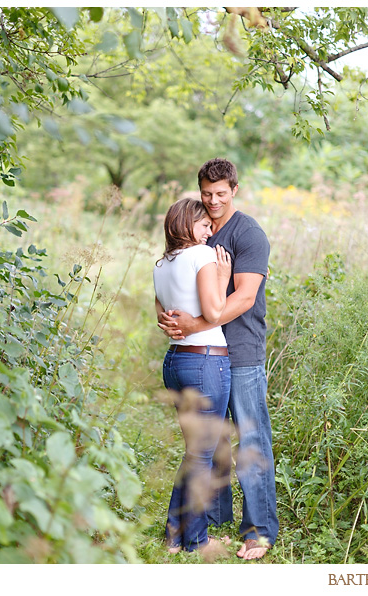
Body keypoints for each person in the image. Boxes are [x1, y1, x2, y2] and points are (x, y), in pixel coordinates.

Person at [158, 158, 277, 560]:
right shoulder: (198, 234)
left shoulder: (248, 234)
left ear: (234, 190)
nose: (212, 202)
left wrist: (193, 325)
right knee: (211, 443)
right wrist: (170, 318)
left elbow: (244, 298)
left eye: (220, 194)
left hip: (240, 351)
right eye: (206, 194)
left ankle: (258, 533)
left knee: (251, 441)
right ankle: (205, 524)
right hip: (204, 356)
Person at [153, 198, 233, 554]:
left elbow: (164, 319)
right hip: (205, 360)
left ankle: (174, 536)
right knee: (201, 455)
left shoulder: (161, 265)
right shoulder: (202, 256)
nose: (209, 230)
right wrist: (224, 275)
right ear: (185, 225)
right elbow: (215, 310)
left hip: (176, 362)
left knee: (194, 453)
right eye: (203, 224)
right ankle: (196, 542)